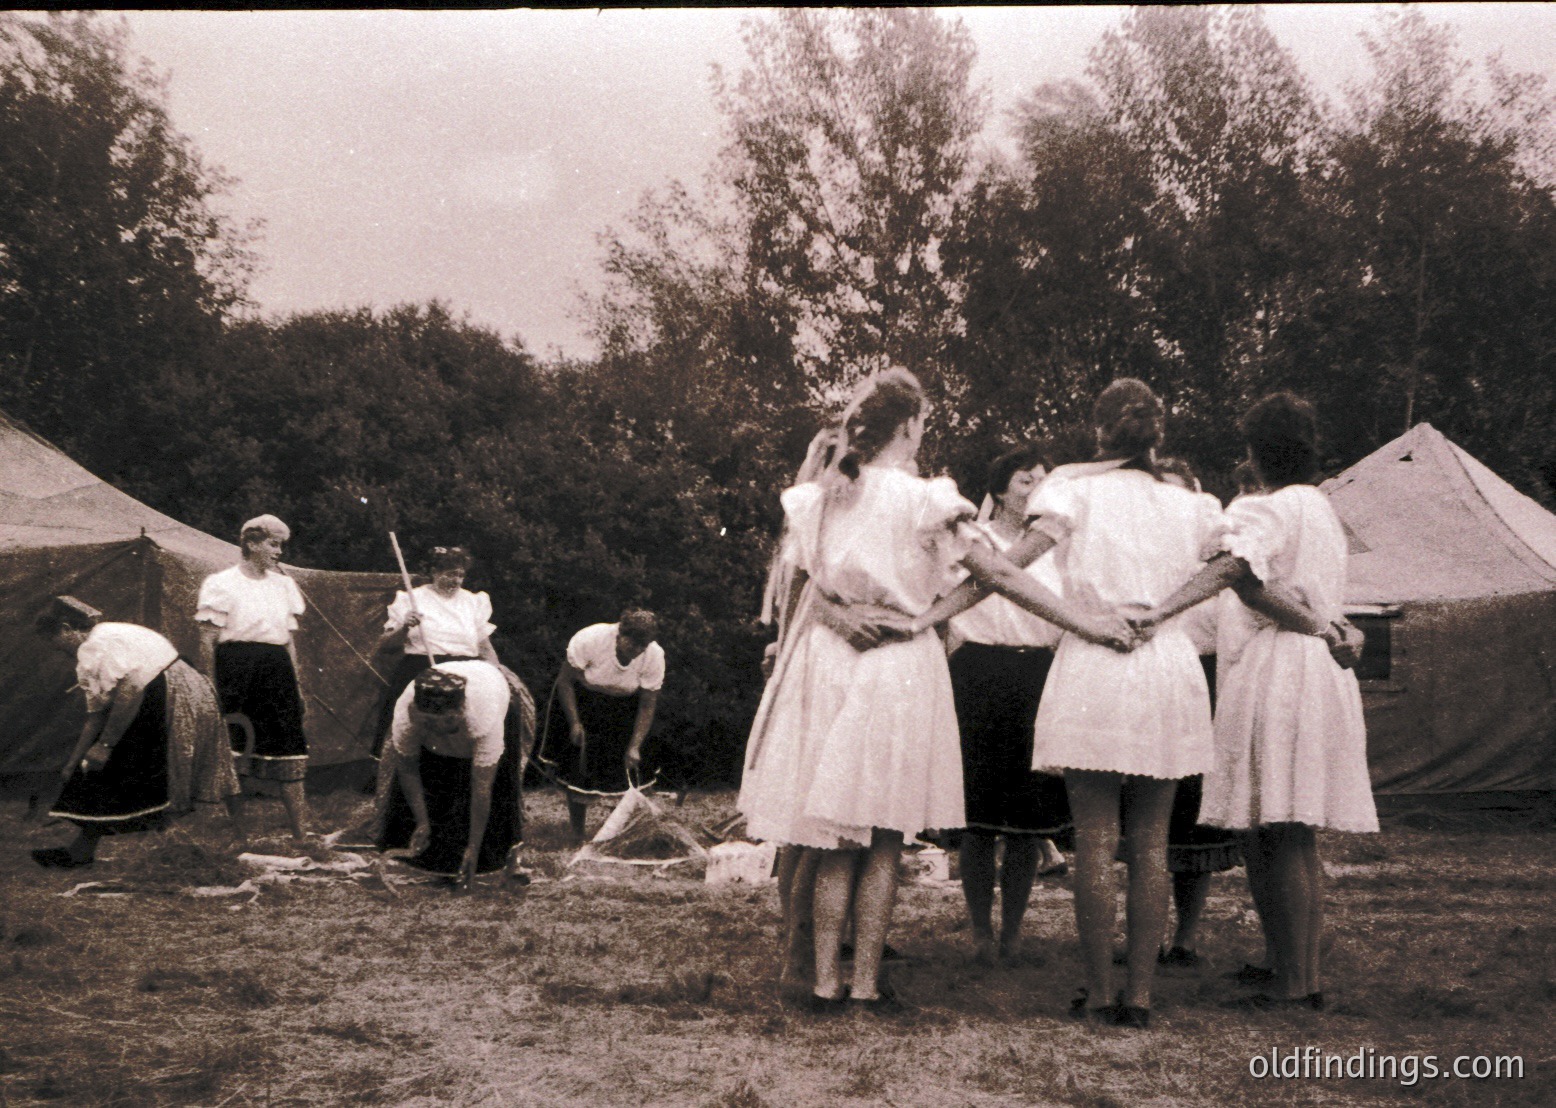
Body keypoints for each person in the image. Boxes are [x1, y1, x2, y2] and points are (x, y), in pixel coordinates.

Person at [740, 368, 1137, 1014]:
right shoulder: (925, 498)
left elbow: (805, 587)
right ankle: (865, 983)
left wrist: (842, 615)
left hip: (830, 662)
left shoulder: (826, 494)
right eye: (924, 421)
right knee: (884, 836)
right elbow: (1000, 574)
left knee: (834, 831)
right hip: (896, 665)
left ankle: (820, 980)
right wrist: (1084, 622)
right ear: (910, 426)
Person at [917, 379, 1223, 1029]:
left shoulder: (1071, 489)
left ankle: (1101, 991)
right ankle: (1139, 996)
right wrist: (1166, 610)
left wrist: (935, 611)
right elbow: (1231, 572)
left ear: (1099, 429)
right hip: (1165, 663)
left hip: (1095, 659)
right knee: (1150, 844)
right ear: (1157, 433)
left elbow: (1007, 569)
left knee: (1094, 840)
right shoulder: (1193, 502)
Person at [1131, 393, 1379, 1011]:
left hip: (1283, 665)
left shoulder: (1270, 507)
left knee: (1282, 828)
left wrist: (1164, 609)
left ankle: (1297, 984)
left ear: (1254, 452)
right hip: (1310, 665)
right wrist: (1329, 628)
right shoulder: (1318, 505)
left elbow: (1237, 572)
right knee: (1279, 832)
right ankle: (1293, 971)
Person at [946, 443, 1073, 966]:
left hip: (1036, 678)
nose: (1035, 491)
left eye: (1042, 481)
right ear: (998, 489)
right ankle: (979, 929)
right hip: (978, 675)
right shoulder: (972, 542)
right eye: (1025, 481)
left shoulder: (1057, 547)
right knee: (978, 820)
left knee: (1027, 821)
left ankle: (1013, 931)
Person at [32, 597, 239, 867]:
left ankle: (176, 851)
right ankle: (86, 851)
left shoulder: (96, 645)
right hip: (177, 690)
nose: (60, 652)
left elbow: (130, 692)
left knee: (142, 768)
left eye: (56, 643)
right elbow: (95, 716)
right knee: (118, 768)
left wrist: (105, 746)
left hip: (170, 694)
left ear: (67, 627)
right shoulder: (105, 638)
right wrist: (72, 764)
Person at [196, 514, 312, 839]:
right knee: (238, 746)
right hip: (236, 669)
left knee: (289, 745)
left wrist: (297, 683)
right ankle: (241, 832)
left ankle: (303, 833)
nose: (279, 552)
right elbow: (206, 638)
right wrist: (210, 683)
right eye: (274, 544)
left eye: (281, 546)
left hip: (277, 670)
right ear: (251, 543)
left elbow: (288, 639)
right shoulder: (220, 583)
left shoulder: (285, 585)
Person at [375, 663, 522, 885]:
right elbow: (408, 771)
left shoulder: (484, 716)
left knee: (492, 788)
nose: (430, 727)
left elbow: (481, 788)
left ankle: (488, 861)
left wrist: (473, 847)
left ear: (457, 714)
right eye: (426, 721)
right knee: (436, 778)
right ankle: (439, 864)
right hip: (451, 712)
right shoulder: (407, 716)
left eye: (436, 722)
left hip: (491, 692)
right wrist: (422, 822)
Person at [537, 609, 665, 843]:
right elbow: (565, 681)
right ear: (619, 634)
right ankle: (577, 834)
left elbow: (648, 704)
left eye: (642, 646)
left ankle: (623, 832)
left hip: (626, 706)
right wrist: (574, 723)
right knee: (580, 766)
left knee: (633, 768)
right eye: (632, 644)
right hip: (584, 700)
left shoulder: (654, 655)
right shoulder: (591, 639)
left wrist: (635, 745)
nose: (636, 651)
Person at [371, 545, 499, 760]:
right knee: (408, 723)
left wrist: (497, 674)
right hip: (420, 668)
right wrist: (405, 626)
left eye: (460, 575)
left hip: (466, 671)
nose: (456, 580)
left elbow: (484, 646)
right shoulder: (411, 598)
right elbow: (385, 645)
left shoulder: (473, 601)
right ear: (434, 572)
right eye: (450, 574)